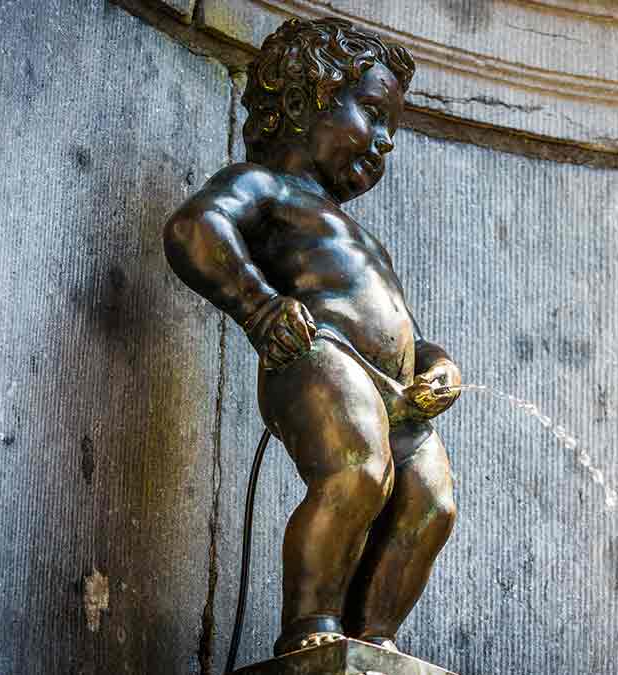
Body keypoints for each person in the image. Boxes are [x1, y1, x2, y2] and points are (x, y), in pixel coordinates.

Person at [162, 17, 460, 656]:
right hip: (314, 352)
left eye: (391, 128)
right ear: (302, 102)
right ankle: (310, 627)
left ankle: (372, 641)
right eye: (372, 114)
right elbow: (196, 226)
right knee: (357, 470)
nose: (385, 141)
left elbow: (407, 332)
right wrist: (258, 306)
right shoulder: (263, 187)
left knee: (430, 503)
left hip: (397, 393)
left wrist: (439, 369)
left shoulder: (362, 238)